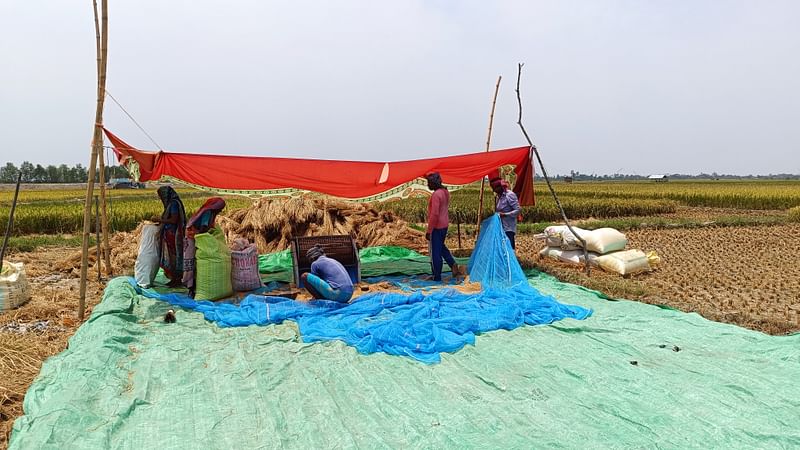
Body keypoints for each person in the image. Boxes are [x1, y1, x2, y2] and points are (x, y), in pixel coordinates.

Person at [183, 197, 226, 297]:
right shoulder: (208, 212)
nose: (220, 210)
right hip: (192, 237)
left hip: (194, 236)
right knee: (192, 261)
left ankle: (193, 286)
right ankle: (191, 287)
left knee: (197, 260)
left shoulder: (209, 212)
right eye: (220, 208)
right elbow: (203, 228)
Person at [425, 172, 462, 281]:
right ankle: (453, 264)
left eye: (429, 183)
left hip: (436, 226)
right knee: (441, 247)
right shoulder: (445, 192)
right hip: (444, 225)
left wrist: (429, 230)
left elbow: (435, 214)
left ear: (433, 183)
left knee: (435, 252)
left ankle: (436, 276)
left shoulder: (436, 195)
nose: (428, 185)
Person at [155, 186, 186, 287]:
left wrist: (160, 220)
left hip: (174, 234)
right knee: (172, 255)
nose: (161, 199)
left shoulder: (173, 204)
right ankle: (174, 278)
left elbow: (173, 220)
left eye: (161, 196)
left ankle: (177, 279)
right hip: (170, 233)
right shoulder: (171, 204)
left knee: (174, 256)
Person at [491, 177, 521, 249]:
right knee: (501, 247)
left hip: (508, 227)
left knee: (508, 247)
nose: (494, 190)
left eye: (495, 188)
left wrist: (505, 214)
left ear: (500, 187)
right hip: (500, 226)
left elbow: (518, 210)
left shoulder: (509, 195)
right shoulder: (499, 197)